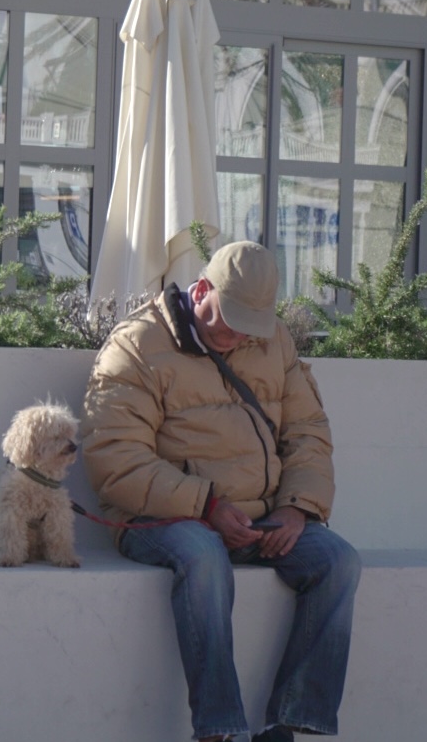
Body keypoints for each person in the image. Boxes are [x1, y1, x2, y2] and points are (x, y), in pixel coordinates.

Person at [81, 240, 360, 742]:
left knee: (338, 561)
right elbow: (114, 462)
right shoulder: (136, 346)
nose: (237, 336)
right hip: (160, 517)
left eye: (251, 325)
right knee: (204, 555)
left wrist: (297, 508)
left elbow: (309, 433)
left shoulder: (273, 341)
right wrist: (205, 504)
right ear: (202, 289)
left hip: (261, 517)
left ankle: (287, 722)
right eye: (228, 320)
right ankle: (219, 728)